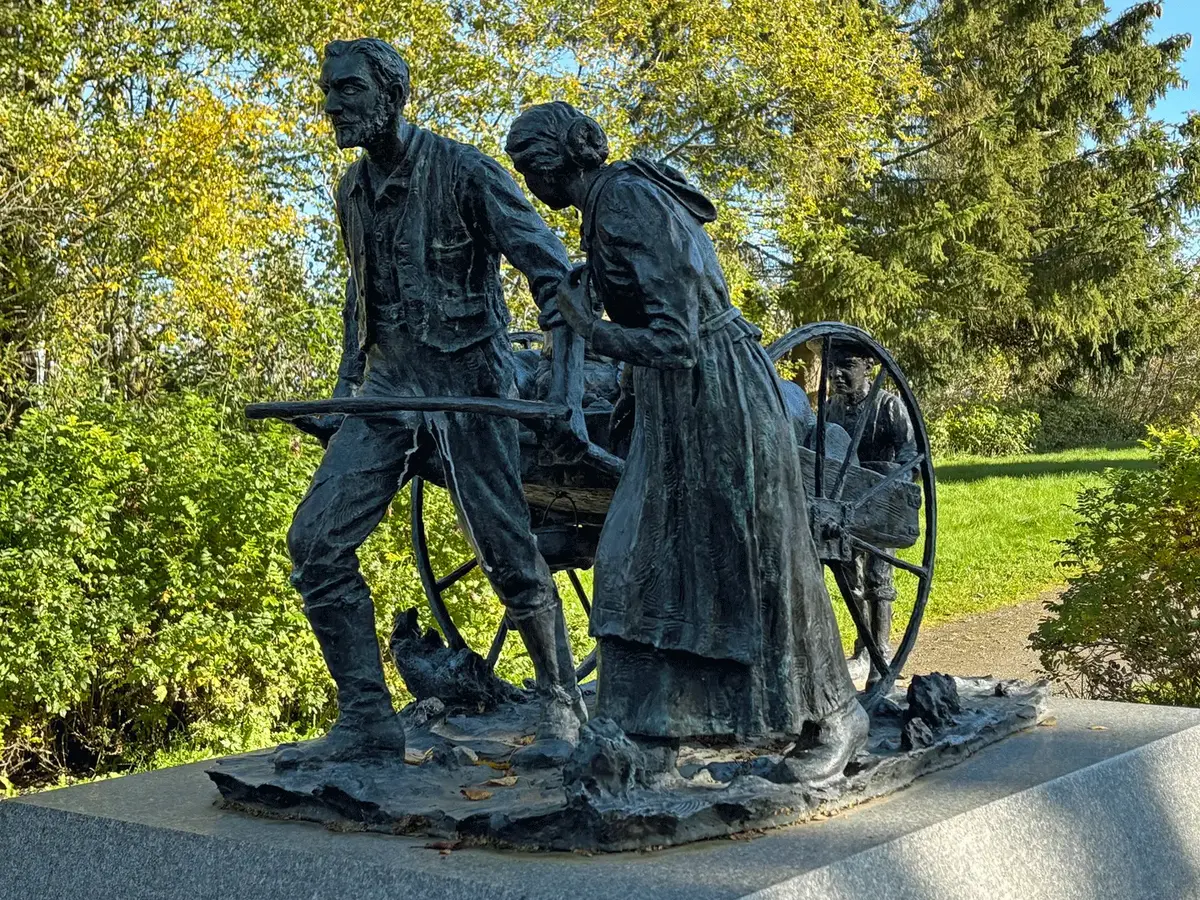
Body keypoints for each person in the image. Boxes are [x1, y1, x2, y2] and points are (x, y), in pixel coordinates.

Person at [505, 102, 868, 783]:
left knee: (754, 561)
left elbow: (677, 337)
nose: (529, 183)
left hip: (717, 399)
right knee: (657, 563)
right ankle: (652, 730)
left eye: (529, 167)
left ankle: (837, 716)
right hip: (680, 404)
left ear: (557, 159)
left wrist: (589, 326)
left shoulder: (625, 202)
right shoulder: (614, 201)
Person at [279, 40, 589, 769]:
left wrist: (568, 387)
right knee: (315, 546)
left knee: (509, 553)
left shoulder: (467, 172)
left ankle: (561, 700)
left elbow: (553, 277)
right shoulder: (351, 191)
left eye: (348, 90)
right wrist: (342, 396)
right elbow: (362, 303)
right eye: (328, 92)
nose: (333, 106)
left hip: (468, 387)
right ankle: (364, 718)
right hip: (387, 394)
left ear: (392, 93)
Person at [827, 341, 918, 682]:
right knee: (850, 578)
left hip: (881, 501)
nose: (836, 374)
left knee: (879, 578)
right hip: (843, 504)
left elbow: (911, 451)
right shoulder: (830, 409)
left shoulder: (888, 406)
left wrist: (896, 483)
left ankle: (880, 651)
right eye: (832, 367)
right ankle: (863, 645)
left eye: (846, 365)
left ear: (867, 366)